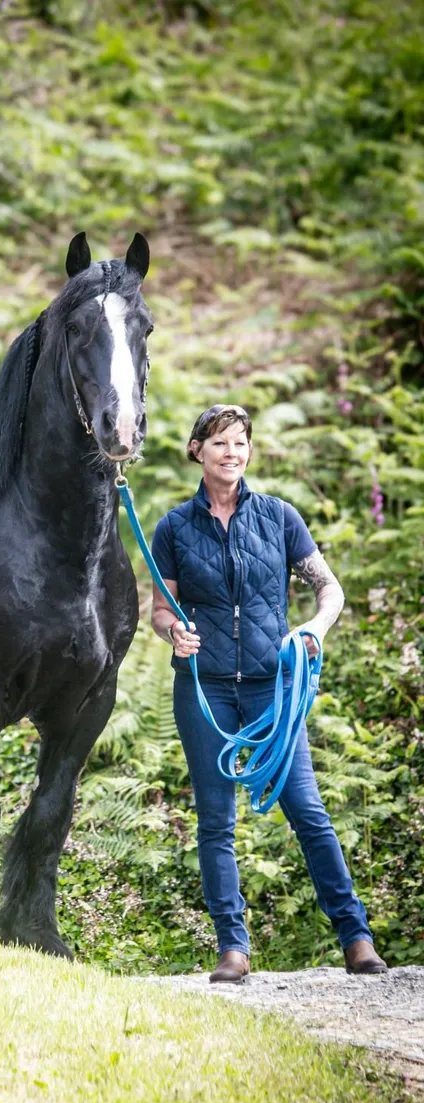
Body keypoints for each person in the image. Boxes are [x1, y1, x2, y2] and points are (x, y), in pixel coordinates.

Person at [150, 404, 386, 983]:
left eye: (241, 443)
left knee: (307, 810)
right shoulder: (174, 528)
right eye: (220, 444)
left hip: (272, 689)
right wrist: (174, 632)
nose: (232, 453)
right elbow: (157, 609)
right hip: (204, 689)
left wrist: (312, 628)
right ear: (197, 452)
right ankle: (233, 947)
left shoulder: (280, 518)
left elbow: (329, 591)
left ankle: (355, 936)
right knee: (215, 820)